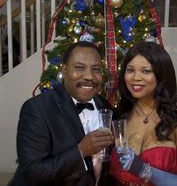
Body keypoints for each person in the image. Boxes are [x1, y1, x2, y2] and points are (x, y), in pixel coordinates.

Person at [9, 41, 114, 186]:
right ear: (64, 71)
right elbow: (32, 173)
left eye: (96, 69)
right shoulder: (36, 109)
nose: (89, 76)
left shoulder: (104, 105)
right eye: (79, 68)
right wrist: (81, 151)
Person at [110, 41, 177, 185]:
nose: (135, 78)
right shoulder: (121, 116)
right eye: (130, 70)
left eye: (146, 71)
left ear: (161, 74)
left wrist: (145, 170)